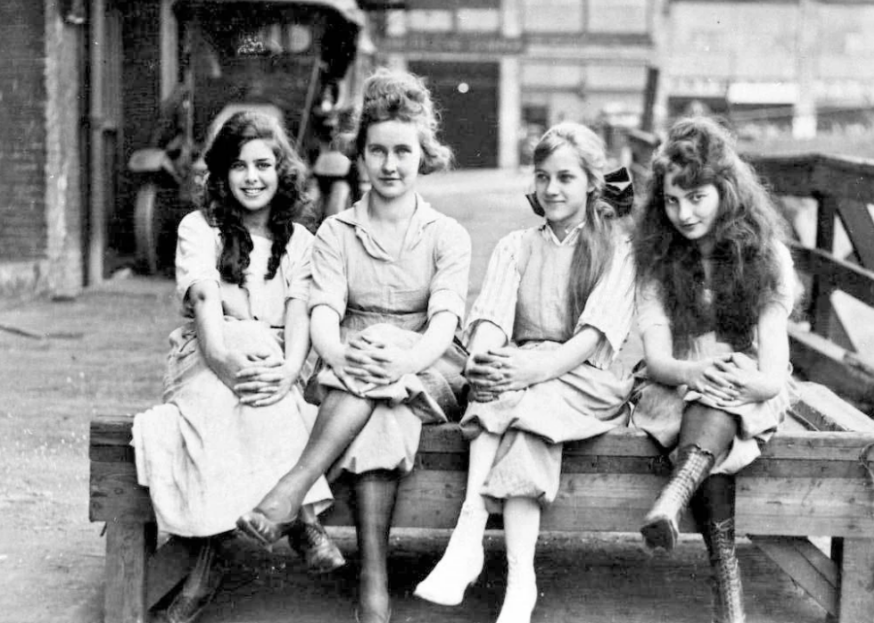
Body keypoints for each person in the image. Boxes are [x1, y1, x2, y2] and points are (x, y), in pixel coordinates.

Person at [236, 68, 471, 623]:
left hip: (429, 362)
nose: (391, 165)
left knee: (384, 367)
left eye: (403, 152)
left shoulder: (446, 235)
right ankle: (374, 580)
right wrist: (343, 356)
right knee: (383, 416)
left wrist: (403, 357)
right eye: (377, 151)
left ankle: (291, 490)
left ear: (423, 155)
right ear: (360, 156)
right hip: (351, 360)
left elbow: (442, 323)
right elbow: (323, 315)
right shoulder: (337, 232)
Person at [414, 122, 636, 623]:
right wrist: (488, 358)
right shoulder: (517, 245)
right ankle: (510, 571)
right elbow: (492, 316)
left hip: (584, 380)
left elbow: (590, 340)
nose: (552, 189)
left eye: (565, 178)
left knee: (526, 403)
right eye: (543, 177)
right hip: (525, 375)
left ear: (591, 184)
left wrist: (528, 369)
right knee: (496, 389)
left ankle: (481, 546)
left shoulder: (615, 251)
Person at [132, 110, 341, 623]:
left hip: (273, 366)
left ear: (281, 171)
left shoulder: (298, 241)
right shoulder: (198, 228)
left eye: (264, 165)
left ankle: (205, 572)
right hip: (205, 358)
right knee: (231, 375)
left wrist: (291, 371)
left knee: (262, 371)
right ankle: (305, 519)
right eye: (240, 166)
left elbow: (297, 315)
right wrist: (224, 359)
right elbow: (204, 299)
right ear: (222, 174)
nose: (252, 177)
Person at [630, 116, 801, 623]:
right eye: (672, 200)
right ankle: (726, 581)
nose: (684, 213)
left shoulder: (767, 256)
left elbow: (773, 360)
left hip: (743, 383)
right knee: (709, 392)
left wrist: (757, 383)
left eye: (697, 197)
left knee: (723, 389)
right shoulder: (657, 262)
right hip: (674, 383)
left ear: (725, 190)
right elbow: (659, 358)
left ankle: (675, 497)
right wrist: (692, 373)